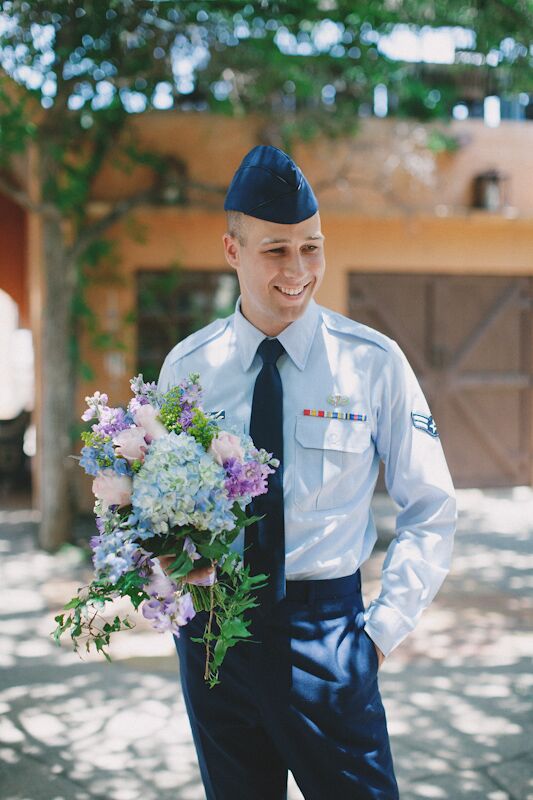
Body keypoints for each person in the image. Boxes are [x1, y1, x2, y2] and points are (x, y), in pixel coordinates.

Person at [157, 145, 457, 800]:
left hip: (326, 635)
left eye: (310, 248)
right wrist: (175, 588)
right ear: (232, 251)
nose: (297, 270)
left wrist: (376, 637)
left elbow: (430, 507)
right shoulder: (188, 369)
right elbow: (163, 509)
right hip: (215, 639)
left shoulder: (372, 362)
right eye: (274, 251)